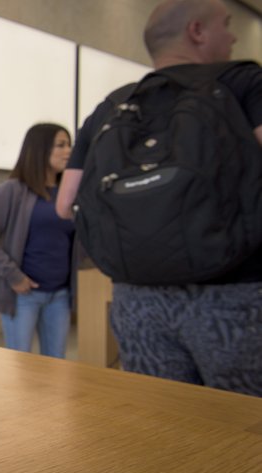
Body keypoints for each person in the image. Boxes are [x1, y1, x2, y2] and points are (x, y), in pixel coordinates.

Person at [56, 0, 262, 395]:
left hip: (137, 300)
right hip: (233, 295)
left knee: (163, 428)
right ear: (197, 31)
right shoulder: (244, 83)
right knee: (245, 434)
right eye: (228, 24)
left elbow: (65, 204)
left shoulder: (111, 107)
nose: (234, 35)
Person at [0, 124, 75, 358]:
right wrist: (14, 276)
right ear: (40, 149)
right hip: (23, 295)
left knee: (56, 369)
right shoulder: (12, 190)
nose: (69, 151)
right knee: (19, 369)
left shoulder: (69, 193)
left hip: (60, 295)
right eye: (61, 145)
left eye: (70, 144)